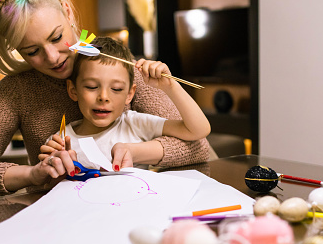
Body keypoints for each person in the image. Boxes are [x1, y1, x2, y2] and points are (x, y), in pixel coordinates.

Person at [0, 0, 210, 199]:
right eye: (32, 51)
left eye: (57, 37)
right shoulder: (16, 91)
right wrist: (32, 173)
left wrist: (137, 150)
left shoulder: (118, 68)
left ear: (67, 12)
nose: (53, 57)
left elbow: (198, 146)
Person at [40, 37, 210, 172]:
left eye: (116, 89)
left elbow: (198, 130)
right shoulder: (61, 141)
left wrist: (171, 87)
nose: (104, 97)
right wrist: (54, 167)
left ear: (130, 94)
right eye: (92, 87)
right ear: (73, 90)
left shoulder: (134, 124)